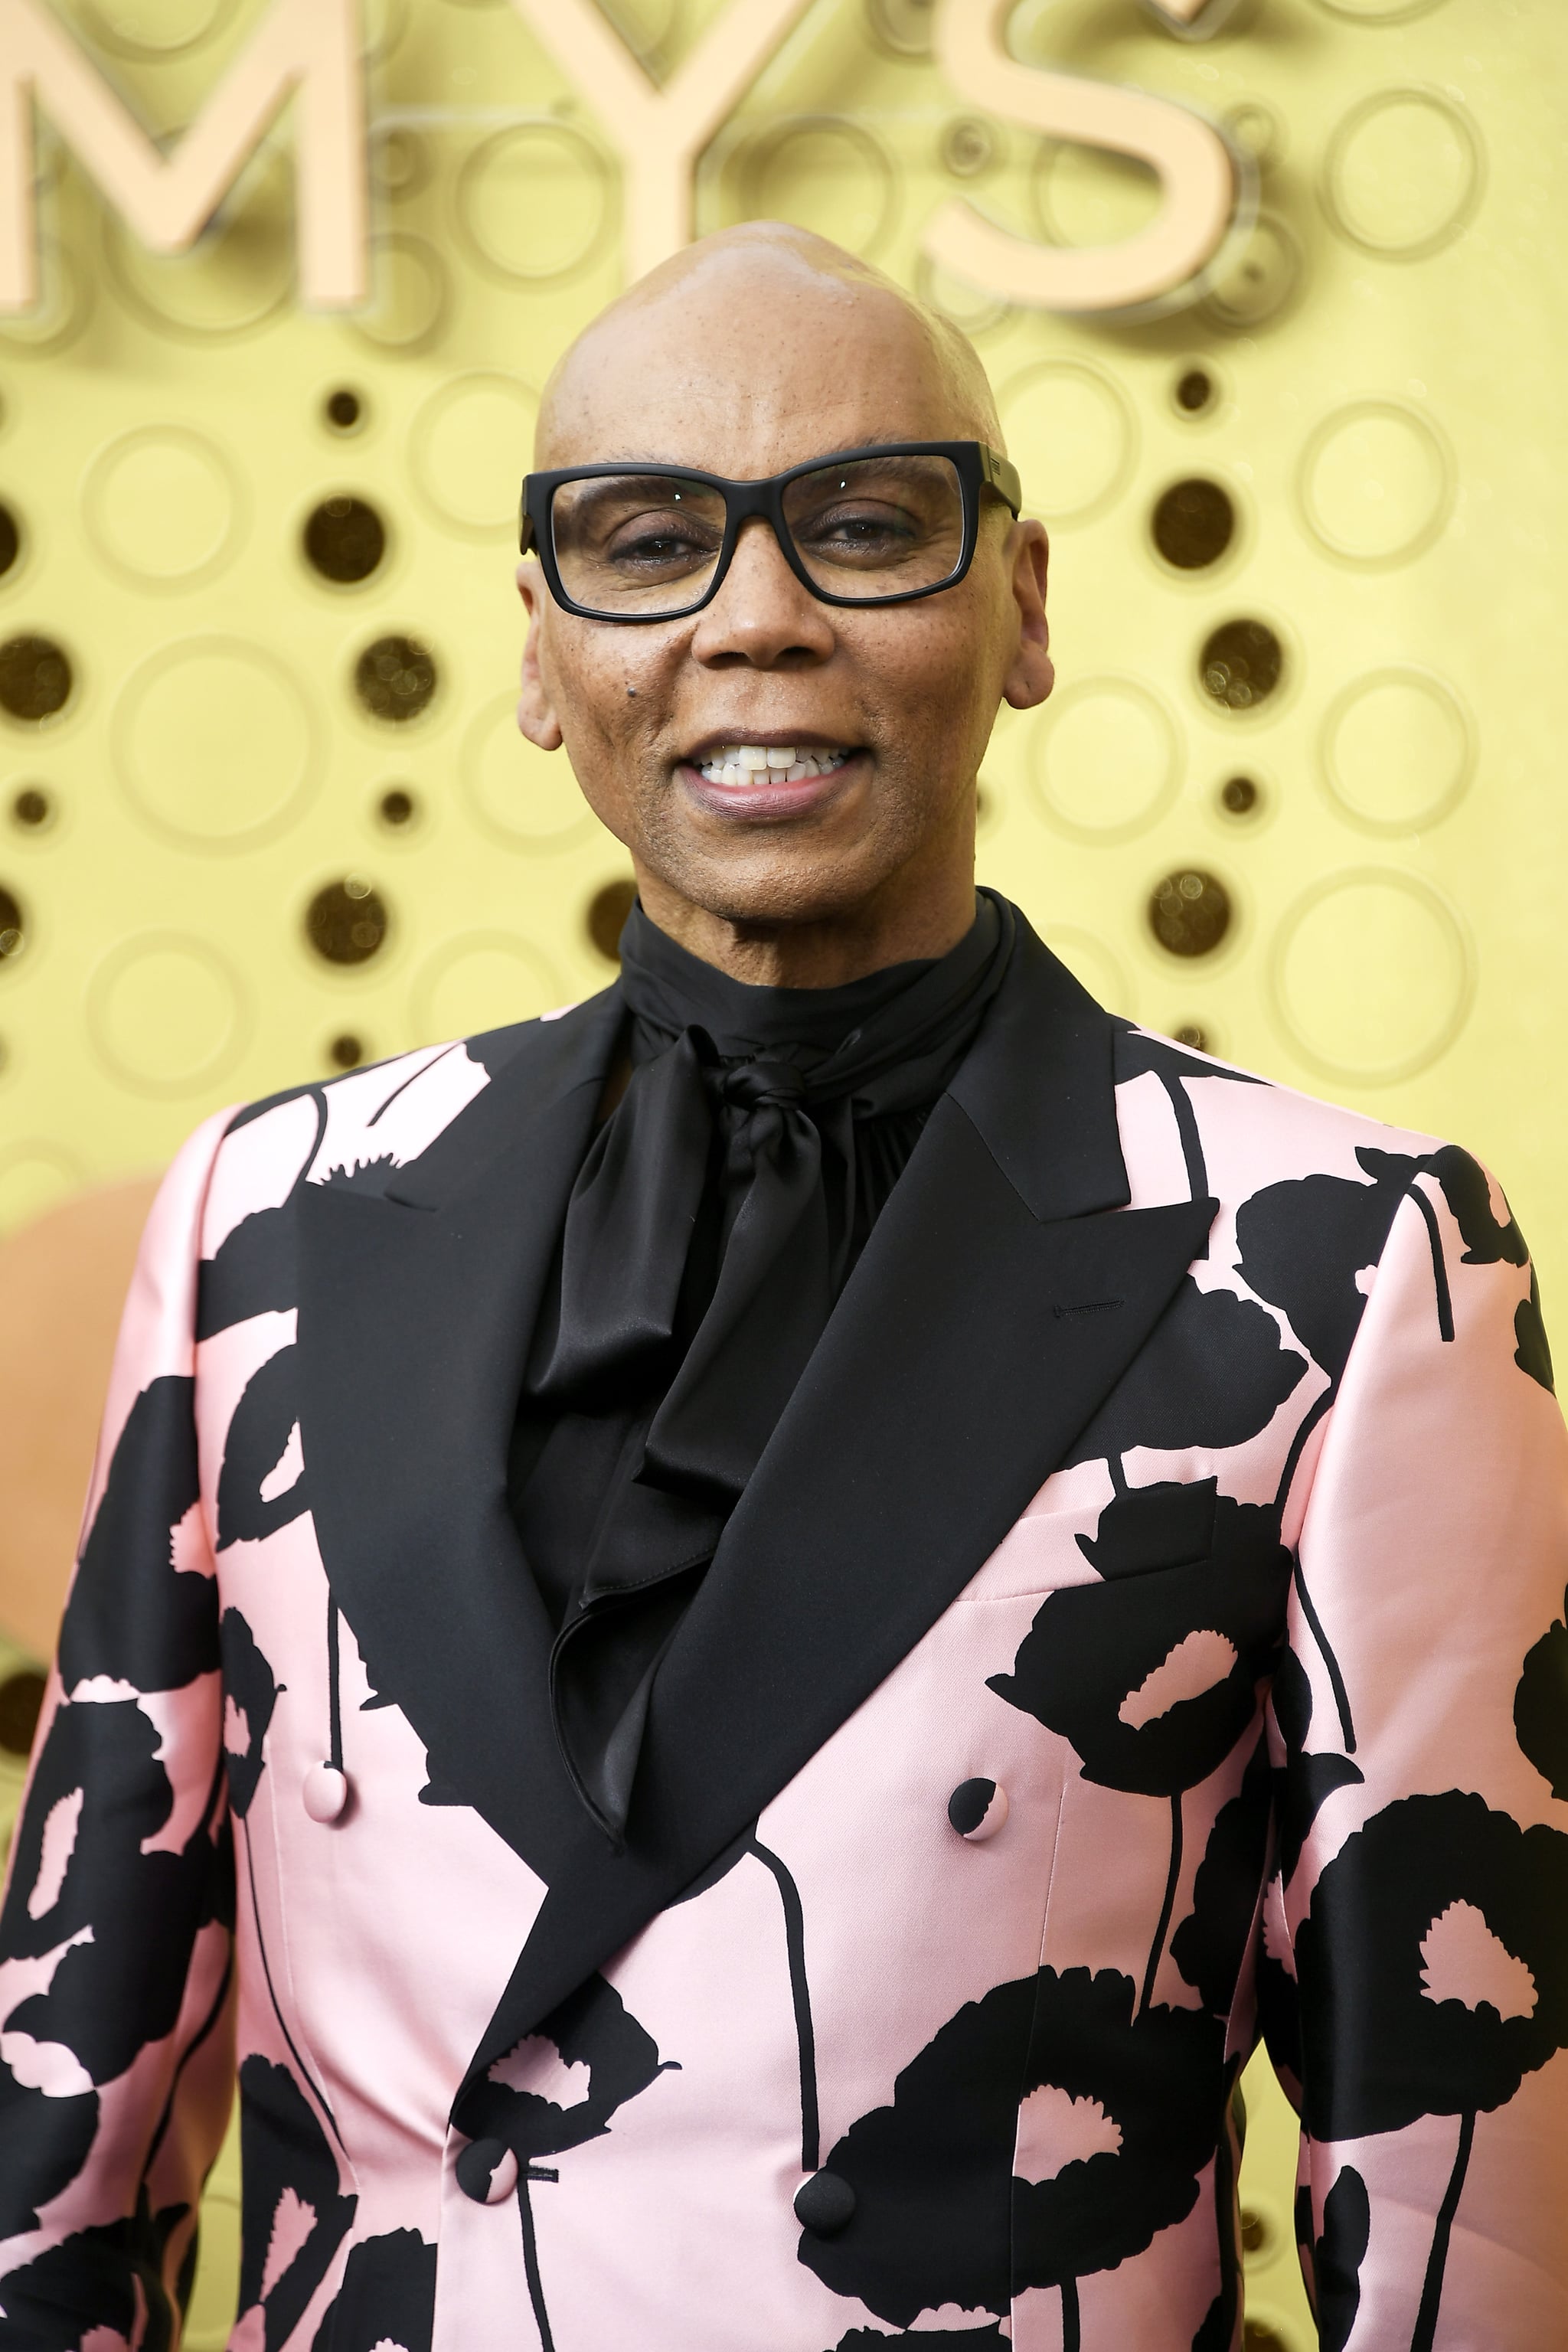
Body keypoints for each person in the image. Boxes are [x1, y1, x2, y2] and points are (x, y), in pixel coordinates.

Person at [2, 222, 1566, 2352]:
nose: (757, 619)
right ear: (542, 650)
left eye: (864, 526)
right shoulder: (258, 1223)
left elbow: (1460, 2178)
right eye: (649, 539)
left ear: (1020, 609)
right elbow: (63, 2117)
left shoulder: (1348, 1258)